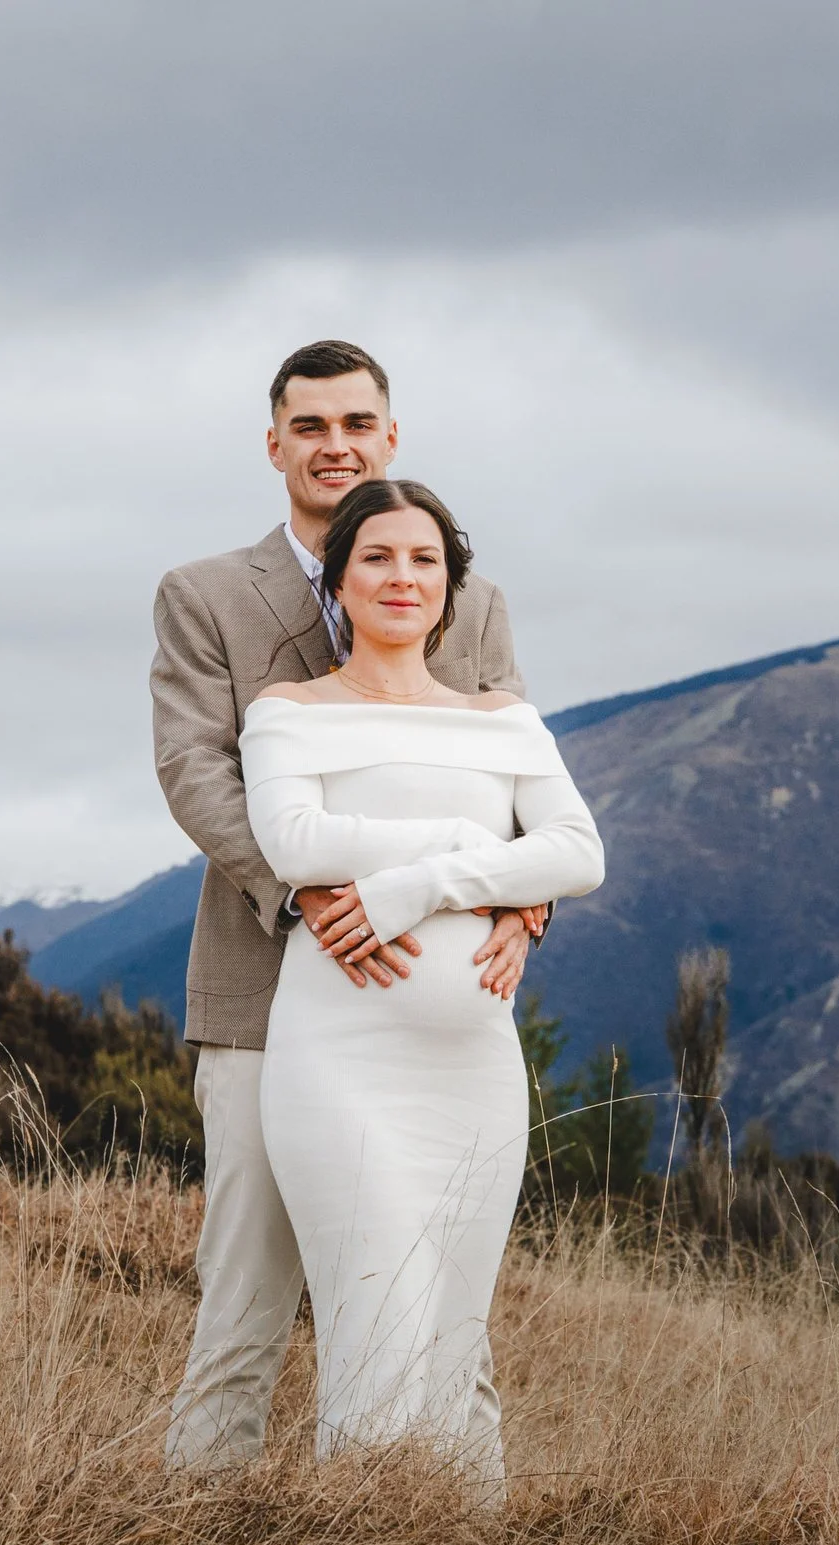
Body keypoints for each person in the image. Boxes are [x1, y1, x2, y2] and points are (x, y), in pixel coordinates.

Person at [151, 341, 545, 1470]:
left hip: (438, 1005)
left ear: (390, 437)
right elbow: (193, 770)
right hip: (265, 994)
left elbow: (521, 783)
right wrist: (309, 891)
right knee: (247, 1305)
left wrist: (528, 909)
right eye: (310, 426)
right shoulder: (207, 596)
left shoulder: (471, 602)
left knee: (448, 1324)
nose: (336, 445)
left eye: (357, 423)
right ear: (273, 443)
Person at [242, 477, 604, 1487]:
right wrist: (464, 838)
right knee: (373, 1322)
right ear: (339, 577)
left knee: (452, 1337)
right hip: (341, 1063)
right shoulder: (290, 712)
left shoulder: (504, 722)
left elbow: (578, 853)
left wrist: (433, 880)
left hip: (475, 1072)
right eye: (378, 558)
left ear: (450, 587)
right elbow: (291, 839)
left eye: (424, 561)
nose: (402, 578)